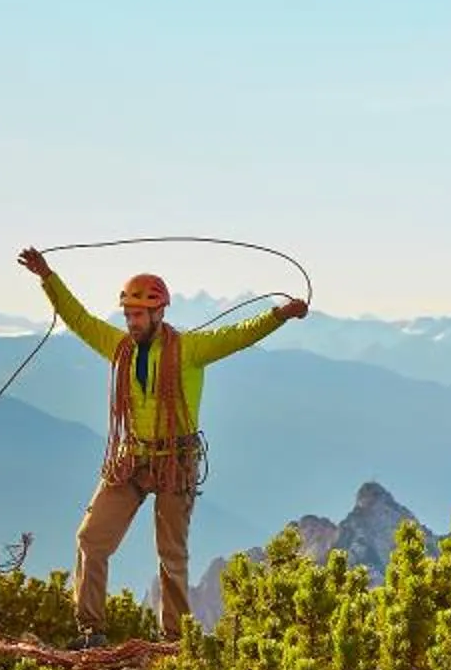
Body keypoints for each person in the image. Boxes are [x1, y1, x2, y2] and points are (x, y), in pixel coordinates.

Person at [18, 246, 309, 644]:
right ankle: (91, 631)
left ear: (159, 313)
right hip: (131, 457)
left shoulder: (190, 350)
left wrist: (280, 315)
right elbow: (80, 320)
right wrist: (47, 278)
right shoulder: (118, 347)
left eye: (139, 315)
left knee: (171, 555)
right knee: (90, 539)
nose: (132, 322)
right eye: (128, 315)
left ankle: (173, 640)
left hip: (177, 460)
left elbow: (239, 336)